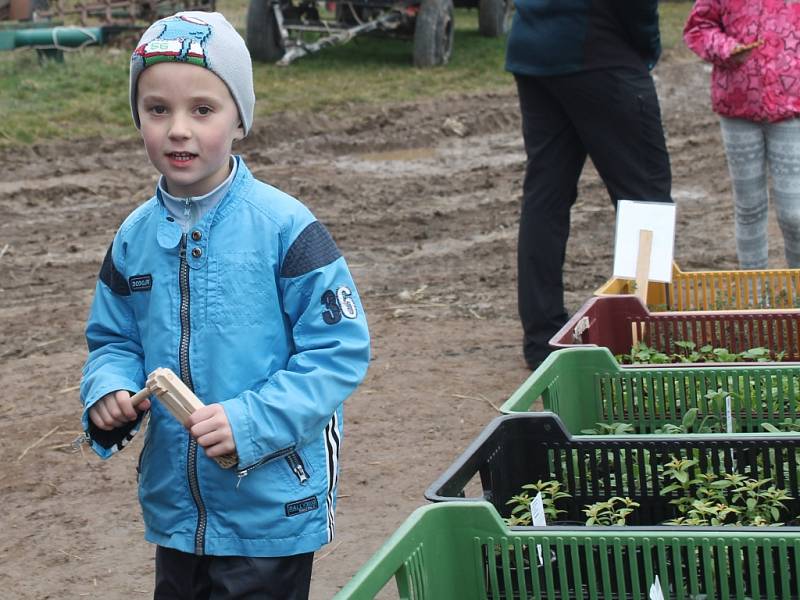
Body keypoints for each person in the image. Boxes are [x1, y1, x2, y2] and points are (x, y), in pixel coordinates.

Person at [78, 11, 370, 599]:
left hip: (269, 507)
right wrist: (108, 389)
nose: (178, 130)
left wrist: (249, 422)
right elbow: (113, 339)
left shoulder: (286, 228)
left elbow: (337, 352)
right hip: (177, 511)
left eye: (203, 110)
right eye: (157, 109)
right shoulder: (134, 236)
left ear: (240, 118)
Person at [505, 0, 673, 370]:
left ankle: (542, 339)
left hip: (535, 49)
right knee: (646, 196)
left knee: (545, 198)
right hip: (599, 50)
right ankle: (648, 331)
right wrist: (646, 46)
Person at [684, 0, 800, 270]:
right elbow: (698, 27)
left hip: (793, 109)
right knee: (749, 208)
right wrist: (726, 49)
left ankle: (796, 296)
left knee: (795, 214)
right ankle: (754, 298)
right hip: (738, 108)